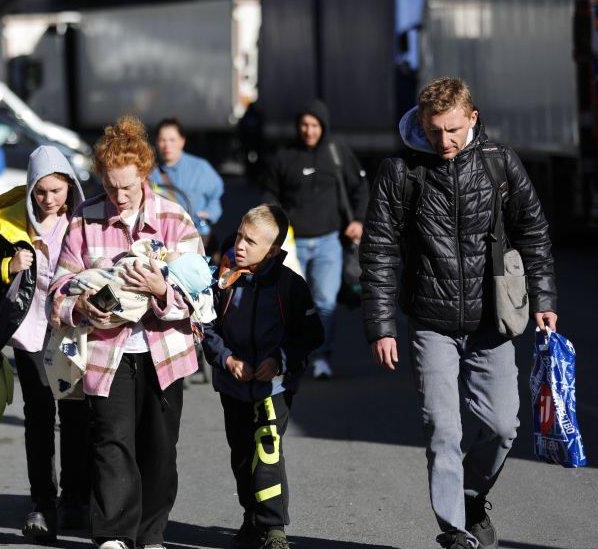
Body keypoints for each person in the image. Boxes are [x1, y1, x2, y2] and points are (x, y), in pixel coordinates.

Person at [360, 77, 558, 549]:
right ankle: (454, 530)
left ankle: (470, 497)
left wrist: (544, 300)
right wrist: (381, 326)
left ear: (472, 118)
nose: (443, 142)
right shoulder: (401, 171)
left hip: (492, 323)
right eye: (433, 132)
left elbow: (534, 233)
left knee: (502, 426)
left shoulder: (498, 164)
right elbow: (380, 251)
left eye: (452, 130)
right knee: (443, 430)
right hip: (430, 323)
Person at [49, 116, 203, 549]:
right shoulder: (84, 218)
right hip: (105, 353)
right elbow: (57, 291)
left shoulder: (174, 218)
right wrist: (80, 307)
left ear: (145, 176)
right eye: (111, 186)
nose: (119, 196)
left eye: (128, 188)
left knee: (159, 449)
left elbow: (200, 297)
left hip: (164, 353)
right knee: (111, 443)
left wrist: (160, 289)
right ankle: (113, 535)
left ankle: (151, 534)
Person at [0, 145, 89, 543]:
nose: (49, 199)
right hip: (30, 332)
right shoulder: (10, 224)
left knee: (74, 417)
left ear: (69, 187)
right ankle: (43, 503)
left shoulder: (83, 222)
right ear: (30, 188)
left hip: (70, 330)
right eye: (41, 191)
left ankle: (75, 499)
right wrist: (8, 266)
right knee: (38, 416)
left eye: (57, 190)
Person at [202, 204, 324, 549]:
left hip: (274, 385)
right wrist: (226, 360)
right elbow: (206, 327)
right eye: (239, 235)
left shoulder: (290, 285)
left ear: (271, 250)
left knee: (266, 449)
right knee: (241, 454)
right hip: (234, 383)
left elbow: (312, 333)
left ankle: (274, 529)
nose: (239, 245)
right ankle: (251, 517)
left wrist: (280, 359)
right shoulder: (221, 278)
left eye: (250, 242)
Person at [261, 100, 369, 380]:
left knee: (324, 302)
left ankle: (322, 357)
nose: (309, 131)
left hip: (328, 242)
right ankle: (290, 356)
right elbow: (269, 194)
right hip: (292, 245)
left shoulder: (337, 153)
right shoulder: (285, 157)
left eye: (315, 125)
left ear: (324, 126)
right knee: (289, 304)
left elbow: (360, 187)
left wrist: (357, 220)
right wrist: (274, 223)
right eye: (304, 125)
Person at [148, 117, 224, 245]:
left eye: (172, 140)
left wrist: (209, 213)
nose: (167, 145)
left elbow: (216, 196)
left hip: (196, 236)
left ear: (182, 141)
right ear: (156, 142)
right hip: (163, 238)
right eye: (162, 140)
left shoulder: (200, 167)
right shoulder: (149, 172)